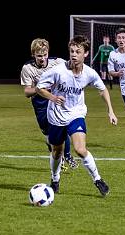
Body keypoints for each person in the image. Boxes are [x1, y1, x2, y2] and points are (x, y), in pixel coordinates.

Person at [36, 35, 118, 197]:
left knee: (80, 149)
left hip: (76, 114)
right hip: (56, 116)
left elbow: (102, 90)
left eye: (77, 51)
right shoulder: (58, 71)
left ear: (85, 54)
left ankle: (98, 180)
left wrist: (110, 110)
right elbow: (39, 88)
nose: (73, 54)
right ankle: (55, 179)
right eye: (72, 51)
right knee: (57, 152)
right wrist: (53, 97)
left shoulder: (89, 73)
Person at [20, 38, 78, 171]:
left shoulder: (57, 62)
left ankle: (67, 156)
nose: (42, 58)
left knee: (62, 127)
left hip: (56, 100)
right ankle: (55, 148)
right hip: (40, 103)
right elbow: (27, 92)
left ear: (48, 53)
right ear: (33, 54)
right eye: (39, 55)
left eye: (44, 55)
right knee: (49, 135)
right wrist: (39, 89)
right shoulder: (28, 68)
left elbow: (73, 68)